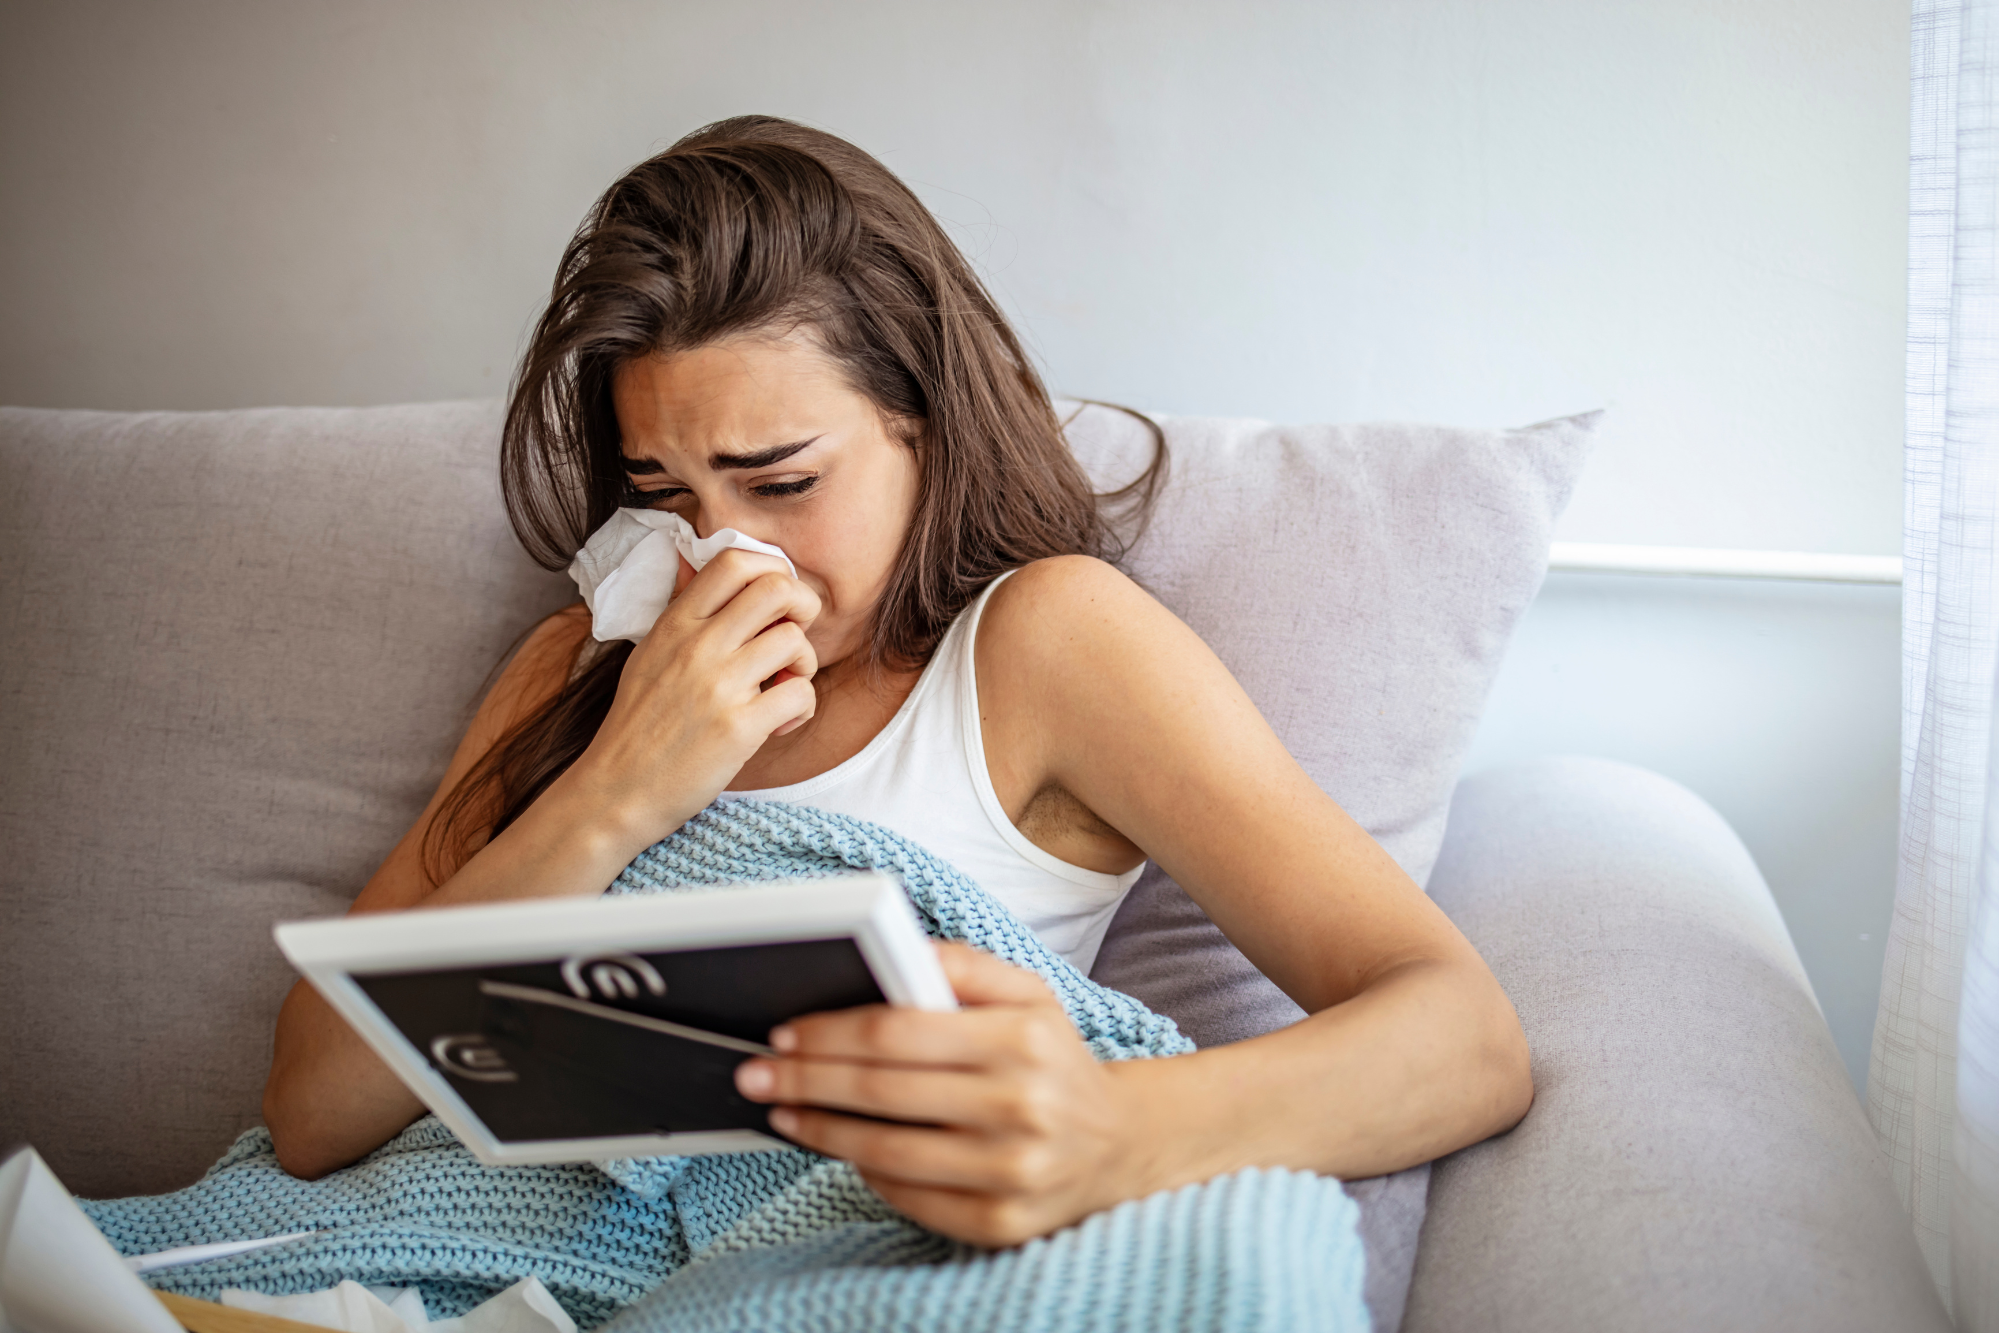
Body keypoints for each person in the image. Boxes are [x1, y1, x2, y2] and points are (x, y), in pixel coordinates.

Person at [262, 115, 1532, 1249]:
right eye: (663, 493)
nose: (725, 553)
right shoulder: (576, 664)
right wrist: (617, 790)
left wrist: (1108, 1127)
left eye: (782, 480)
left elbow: (1462, 1039)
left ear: (917, 418)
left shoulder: (1044, 647)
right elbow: (315, 1112)